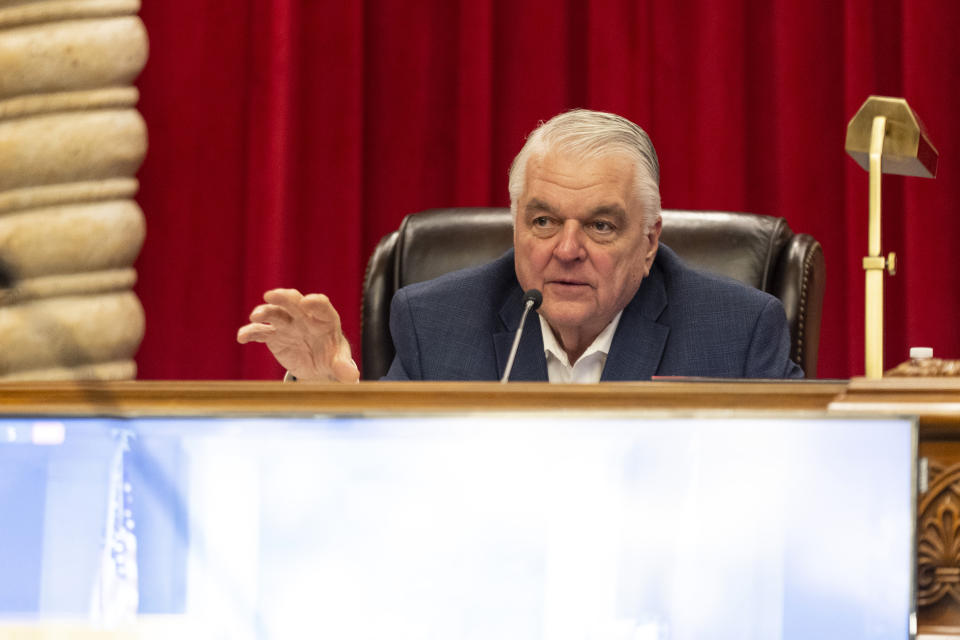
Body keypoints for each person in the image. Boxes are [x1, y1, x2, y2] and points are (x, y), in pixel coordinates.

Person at [238, 109, 803, 382]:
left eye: (601, 226)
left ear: (650, 241)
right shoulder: (436, 323)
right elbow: (387, 494)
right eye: (543, 222)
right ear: (515, 226)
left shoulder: (738, 333)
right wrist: (334, 399)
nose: (567, 248)